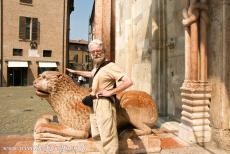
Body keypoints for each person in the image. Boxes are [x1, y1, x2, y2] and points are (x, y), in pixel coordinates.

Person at [66, 39, 133, 154]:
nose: (96, 53)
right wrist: (75, 71)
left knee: (108, 137)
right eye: (93, 52)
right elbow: (90, 74)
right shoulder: (97, 67)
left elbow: (128, 81)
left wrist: (111, 92)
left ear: (103, 51)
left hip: (104, 104)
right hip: (94, 104)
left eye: (98, 50)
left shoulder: (111, 66)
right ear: (90, 54)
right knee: (97, 135)